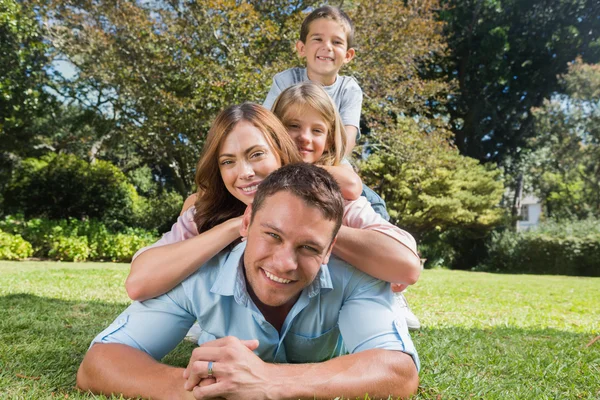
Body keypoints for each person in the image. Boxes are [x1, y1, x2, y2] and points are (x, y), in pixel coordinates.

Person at [76, 163, 420, 399]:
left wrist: (269, 381)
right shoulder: (199, 273)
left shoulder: (358, 275)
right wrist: (203, 390)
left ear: (330, 250)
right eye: (272, 235)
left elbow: (398, 370)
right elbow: (100, 362)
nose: (285, 263)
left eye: (309, 247)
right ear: (246, 224)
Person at [126, 103, 420, 305]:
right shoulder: (208, 213)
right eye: (228, 161)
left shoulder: (331, 198)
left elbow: (405, 267)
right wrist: (236, 227)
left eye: (256, 155)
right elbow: (138, 284)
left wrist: (307, 230)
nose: (244, 173)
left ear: (280, 151)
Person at [271, 81, 422, 329]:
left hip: (326, 309)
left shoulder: (338, 193)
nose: (304, 137)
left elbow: (405, 257)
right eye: (293, 126)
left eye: (317, 130)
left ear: (330, 139)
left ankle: (389, 298)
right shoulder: (255, 176)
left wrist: (300, 174)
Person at [263, 6, 361, 155]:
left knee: (351, 179)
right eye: (318, 39)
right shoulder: (287, 80)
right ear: (302, 48)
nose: (327, 47)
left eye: (336, 42)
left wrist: (326, 168)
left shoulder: (349, 90)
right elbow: (264, 125)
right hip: (285, 155)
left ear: (348, 55)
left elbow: (348, 137)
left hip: (329, 160)